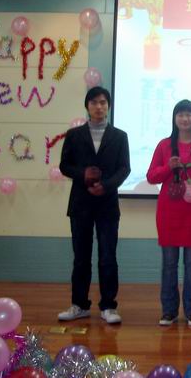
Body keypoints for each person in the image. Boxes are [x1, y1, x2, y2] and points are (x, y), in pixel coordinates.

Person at [57, 86, 131, 324]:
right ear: (87, 106)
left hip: (107, 204)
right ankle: (79, 305)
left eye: (103, 102)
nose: (99, 107)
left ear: (108, 106)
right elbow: (64, 165)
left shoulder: (119, 136)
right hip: (81, 203)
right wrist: (83, 174)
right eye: (94, 103)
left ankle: (108, 306)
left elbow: (124, 168)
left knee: (108, 256)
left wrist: (106, 186)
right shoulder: (74, 135)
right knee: (81, 257)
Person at [146, 99, 191, 327]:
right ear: (174, 118)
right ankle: (168, 311)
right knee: (169, 263)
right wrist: (169, 167)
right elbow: (151, 177)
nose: (185, 119)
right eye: (181, 114)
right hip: (169, 213)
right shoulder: (164, 145)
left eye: (189, 114)